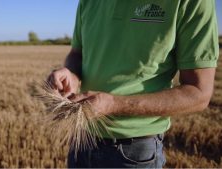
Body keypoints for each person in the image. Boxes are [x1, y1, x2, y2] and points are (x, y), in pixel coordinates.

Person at [47, 0, 219, 168]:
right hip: (81, 140)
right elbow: (78, 53)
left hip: (133, 154)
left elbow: (198, 93)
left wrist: (113, 105)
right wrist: (71, 74)